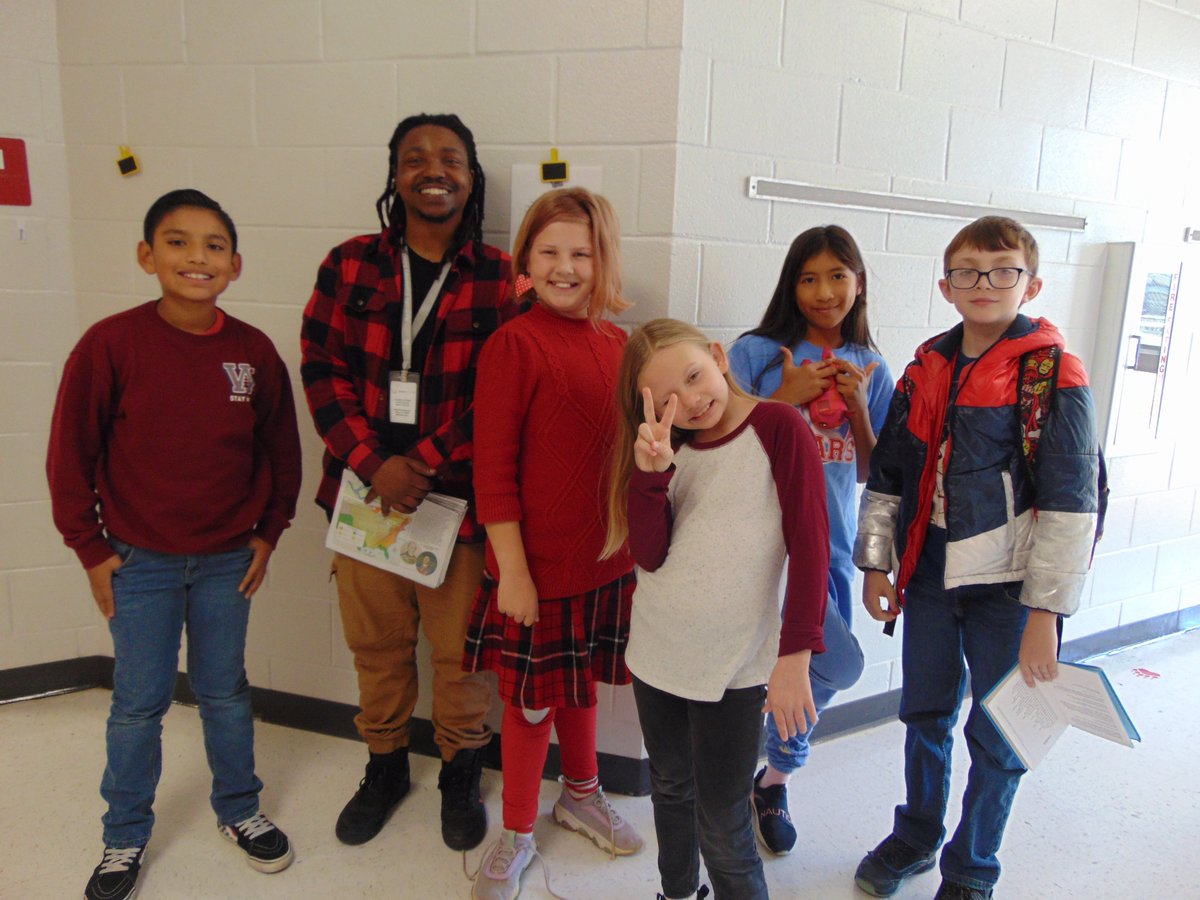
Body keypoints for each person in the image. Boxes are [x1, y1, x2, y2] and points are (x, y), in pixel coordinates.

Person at [48, 189, 302, 900]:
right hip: (140, 563)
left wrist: (268, 533)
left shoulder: (252, 354)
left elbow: (281, 451)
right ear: (146, 255)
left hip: (228, 561)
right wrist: (91, 548)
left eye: (214, 244)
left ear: (236, 263)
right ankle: (124, 836)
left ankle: (240, 810)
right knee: (139, 704)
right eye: (178, 242)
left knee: (224, 692)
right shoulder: (111, 344)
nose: (197, 257)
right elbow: (70, 453)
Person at [852, 216, 1101, 900]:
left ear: (1032, 282)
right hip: (929, 577)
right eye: (967, 272)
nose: (984, 284)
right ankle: (918, 834)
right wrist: (877, 564)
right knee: (924, 713)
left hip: (1011, 594)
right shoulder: (925, 365)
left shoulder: (1054, 374)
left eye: (1002, 270)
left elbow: (1073, 502)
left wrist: (1046, 613)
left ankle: (972, 868)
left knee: (1002, 735)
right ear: (946, 286)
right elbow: (891, 477)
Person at [300, 113, 518, 851]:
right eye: (416, 158)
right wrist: (373, 463)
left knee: (462, 657)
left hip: (457, 504)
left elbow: (503, 394)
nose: (435, 170)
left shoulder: (502, 278)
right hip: (362, 500)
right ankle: (386, 766)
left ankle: (460, 772)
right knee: (379, 648)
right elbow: (320, 369)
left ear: (471, 177)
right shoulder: (349, 263)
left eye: (451, 159)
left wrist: (418, 463)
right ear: (394, 175)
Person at [604, 319, 830, 900]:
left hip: (737, 666)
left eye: (696, 376)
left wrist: (794, 657)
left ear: (717, 356)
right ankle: (678, 891)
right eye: (669, 398)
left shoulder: (778, 428)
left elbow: (811, 548)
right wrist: (649, 478)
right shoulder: (667, 447)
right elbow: (650, 556)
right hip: (658, 653)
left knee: (725, 819)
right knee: (671, 788)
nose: (692, 401)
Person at [464, 188, 643, 899]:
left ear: (603, 261)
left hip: (606, 565)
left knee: (580, 688)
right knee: (530, 704)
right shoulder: (514, 343)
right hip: (533, 572)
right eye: (550, 252)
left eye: (582, 252)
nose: (567, 267)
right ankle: (514, 830)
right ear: (526, 262)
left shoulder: (619, 343)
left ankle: (581, 792)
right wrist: (513, 570)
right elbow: (493, 471)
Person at [728, 225, 887, 855]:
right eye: (809, 277)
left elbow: (877, 471)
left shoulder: (872, 365)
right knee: (833, 662)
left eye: (838, 276)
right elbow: (720, 450)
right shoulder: (755, 354)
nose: (824, 292)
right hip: (761, 547)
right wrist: (783, 399)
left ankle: (772, 782)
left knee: (824, 668)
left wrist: (859, 411)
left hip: (832, 549)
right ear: (791, 286)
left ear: (859, 281)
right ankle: (735, 769)